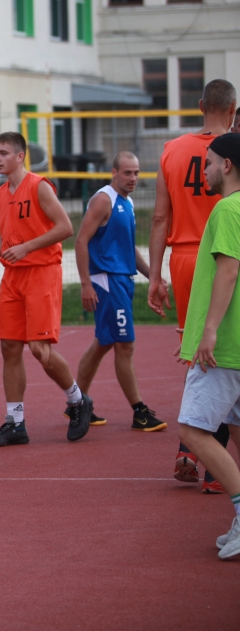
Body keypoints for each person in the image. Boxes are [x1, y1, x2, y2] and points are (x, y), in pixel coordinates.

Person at [0, 132, 89, 445]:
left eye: (4, 153)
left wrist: (27, 247)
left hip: (41, 273)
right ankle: (15, 422)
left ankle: (78, 400)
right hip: (13, 277)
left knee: (39, 349)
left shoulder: (39, 186)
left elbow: (65, 227)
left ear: (20, 156)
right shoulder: (0, 194)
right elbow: (5, 239)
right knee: (9, 347)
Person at [148, 79, 237, 490]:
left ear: (201, 105)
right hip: (225, 252)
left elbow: (159, 217)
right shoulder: (232, 151)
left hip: (187, 257)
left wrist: (155, 274)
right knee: (221, 355)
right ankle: (218, 467)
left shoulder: (173, 149)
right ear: (233, 108)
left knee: (198, 353)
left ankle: (191, 447)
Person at [173, 132, 240, 560]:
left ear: (227, 166)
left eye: (211, 162)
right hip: (234, 343)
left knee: (193, 430)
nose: (207, 170)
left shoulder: (227, 208)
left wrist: (208, 331)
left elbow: (228, 271)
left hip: (224, 347)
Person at [74, 152, 166, 431]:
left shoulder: (128, 202)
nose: (133, 178)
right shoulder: (104, 200)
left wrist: (154, 277)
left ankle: (76, 403)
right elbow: (80, 241)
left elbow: (128, 248)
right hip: (108, 281)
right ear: (114, 172)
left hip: (121, 279)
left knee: (103, 343)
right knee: (125, 345)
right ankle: (139, 412)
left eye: (136, 172)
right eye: (127, 173)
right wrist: (86, 283)